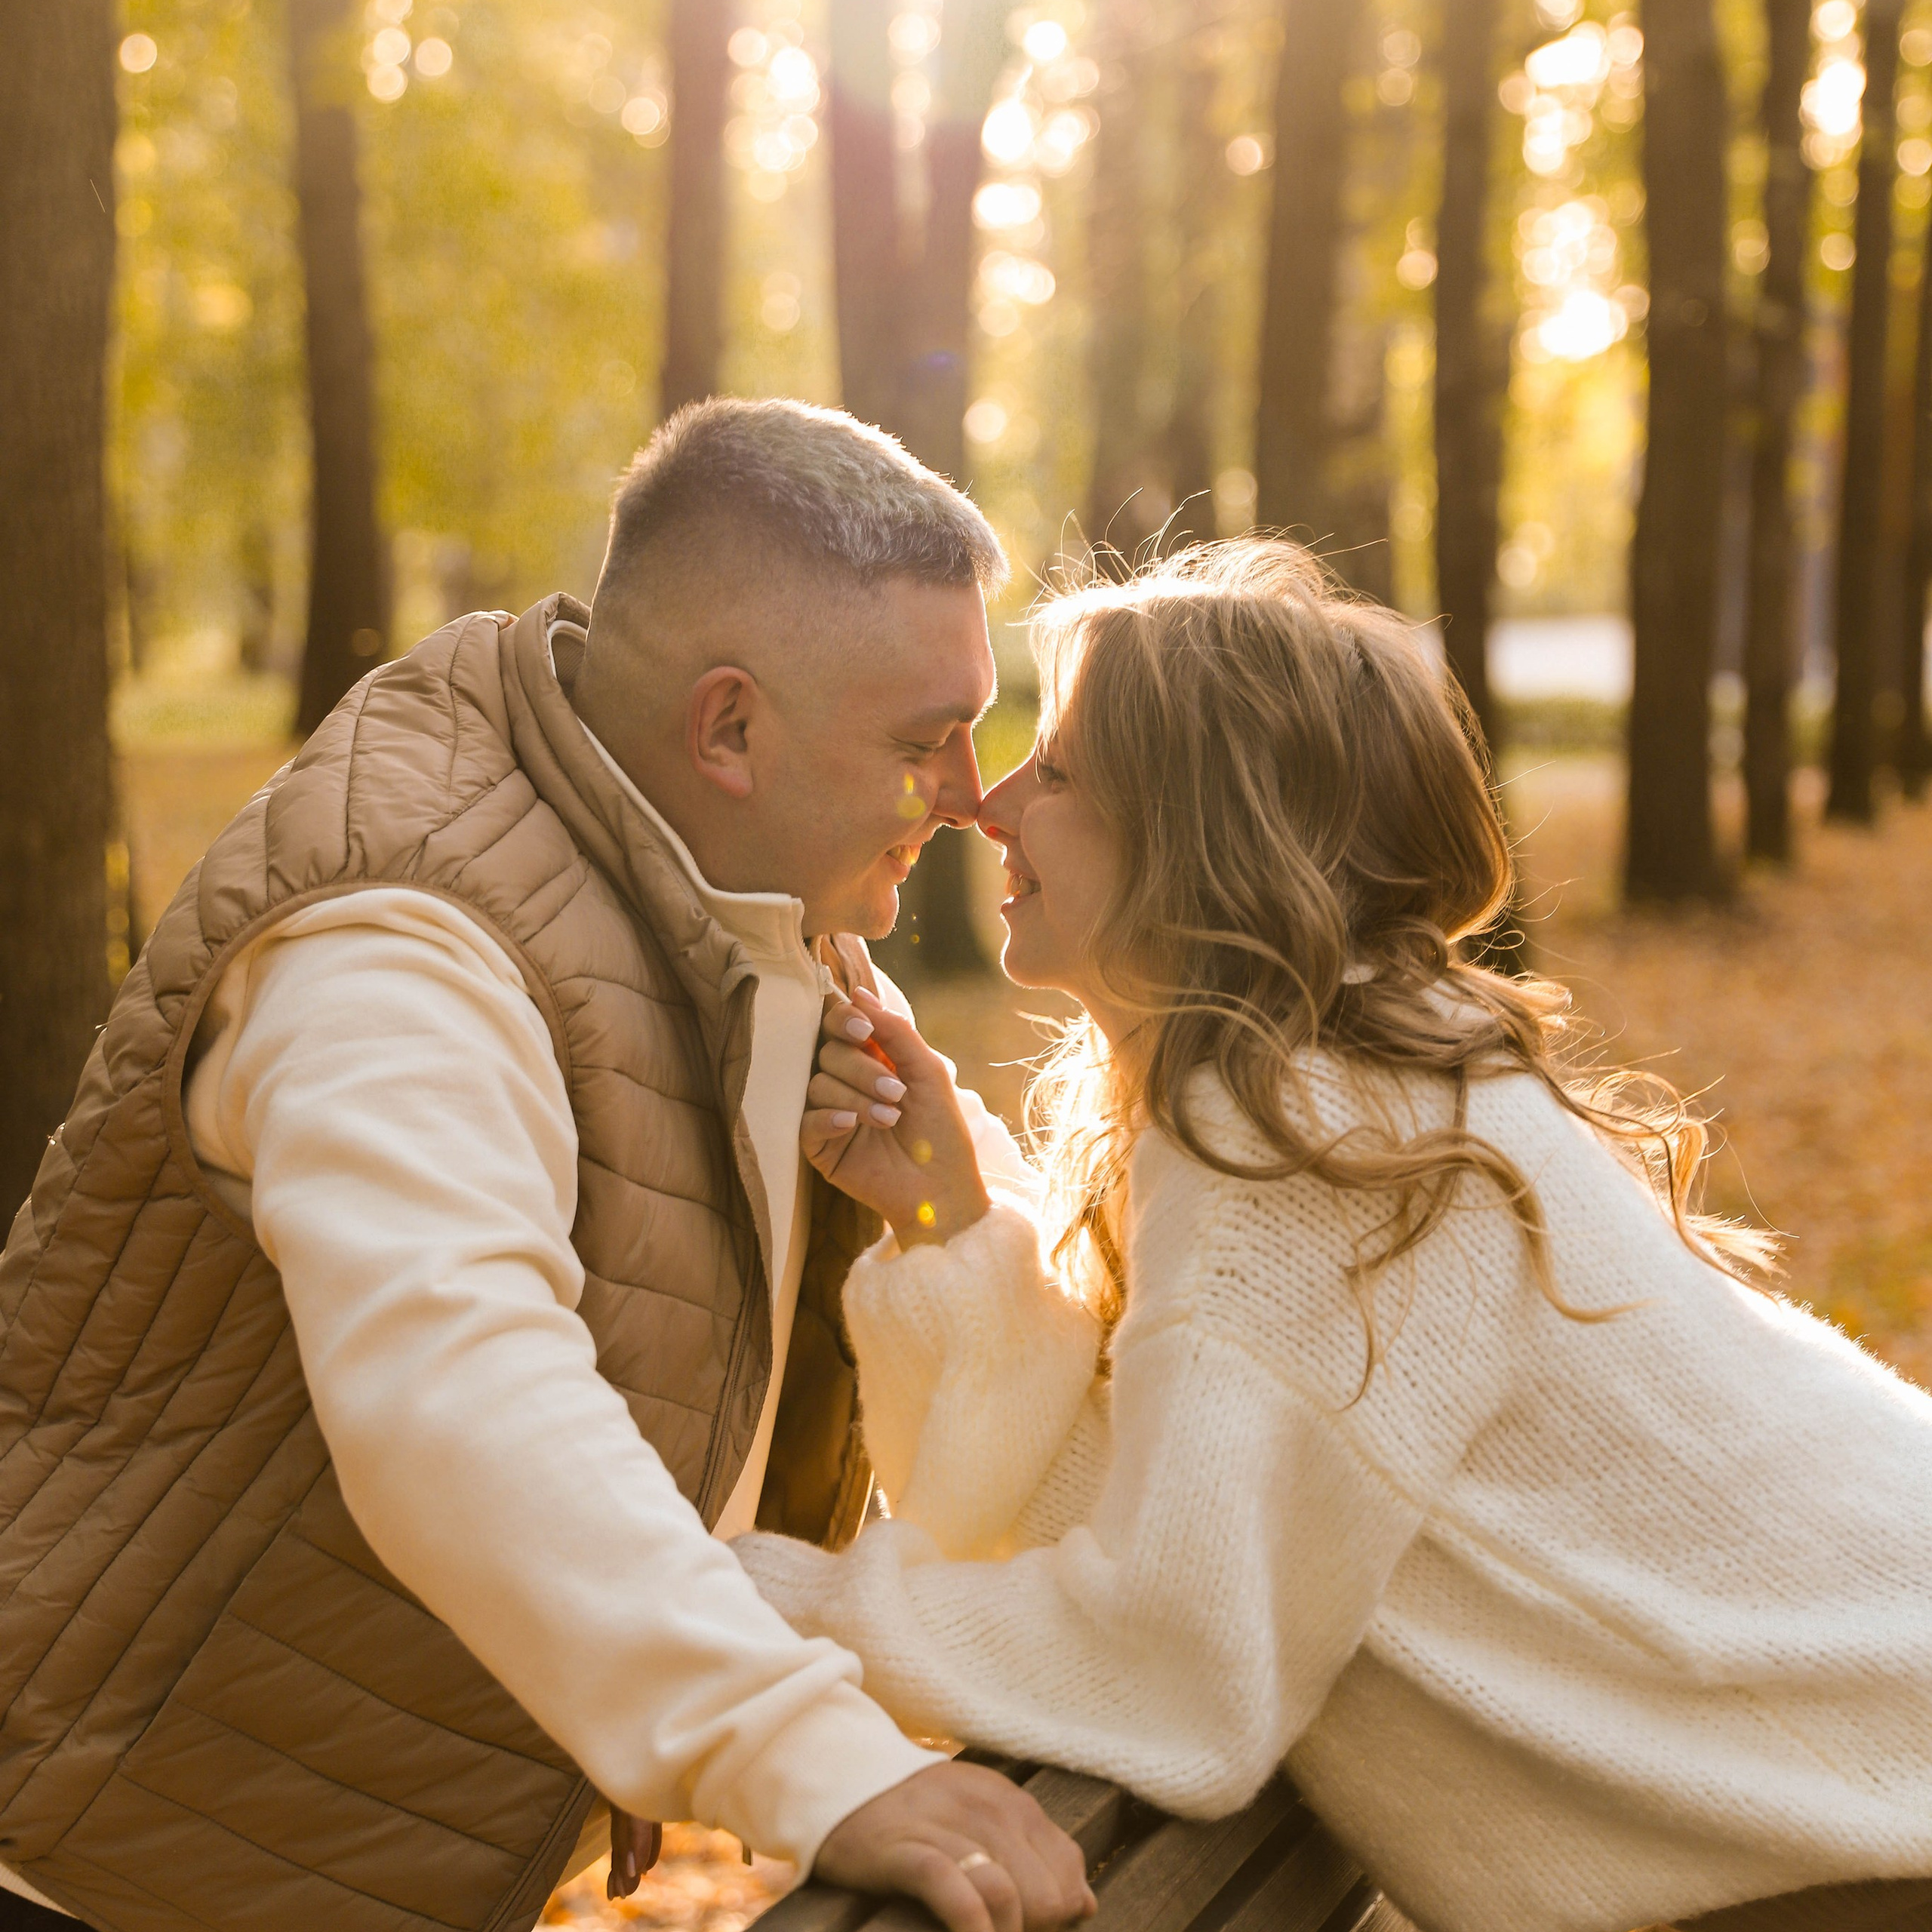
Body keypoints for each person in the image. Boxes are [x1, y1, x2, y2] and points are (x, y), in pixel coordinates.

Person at [0, 400, 1091, 1932]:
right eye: (922, 741)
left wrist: (933, 1221)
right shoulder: (399, 944)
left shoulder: (781, 921)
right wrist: (794, 1747)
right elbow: (455, 1390)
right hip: (118, 1866)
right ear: (725, 728)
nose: (971, 796)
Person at [736, 540, 1932, 1932]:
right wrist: (948, 1220)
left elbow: (1173, 1671)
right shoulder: (1339, 1090)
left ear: (1204, 832)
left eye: (1054, 771)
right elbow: (1168, 1532)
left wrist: (726, 1607)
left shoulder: (1315, 1147)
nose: (990, 808)